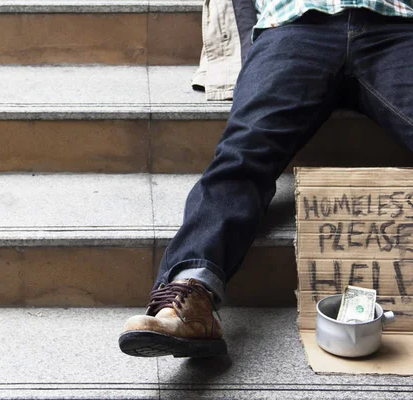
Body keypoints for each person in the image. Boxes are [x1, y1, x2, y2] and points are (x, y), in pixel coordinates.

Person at [118, 0, 413, 358]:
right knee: (241, 154)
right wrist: (256, 49)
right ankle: (189, 295)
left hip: (398, 27)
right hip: (294, 27)